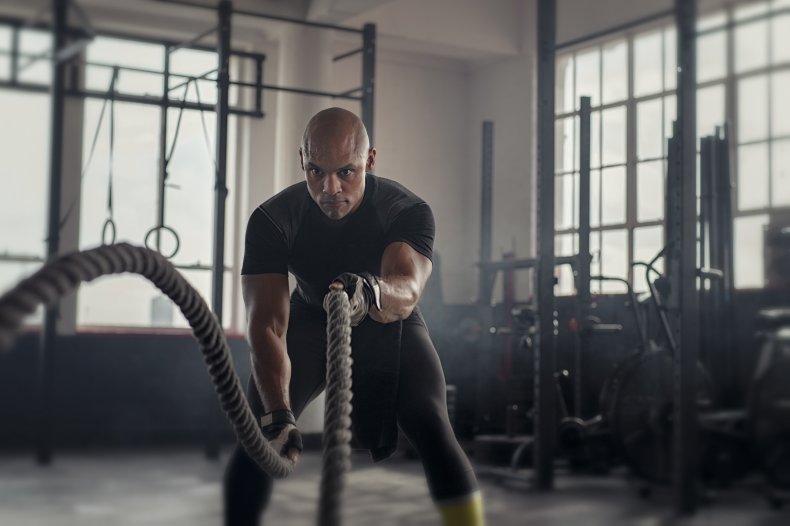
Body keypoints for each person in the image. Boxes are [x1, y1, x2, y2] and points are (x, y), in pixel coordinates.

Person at [223, 107, 484, 525]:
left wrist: (371, 291)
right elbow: (268, 322)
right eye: (316, 171)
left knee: (430, 420)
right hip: (311, 316)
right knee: (259, 435)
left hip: (385, 314)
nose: (330, 188)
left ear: (371, 161)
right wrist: (278, 412)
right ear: (301, 162)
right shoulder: (273, 220)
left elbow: (408, 288)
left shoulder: (405, 210)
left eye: (346, 171)